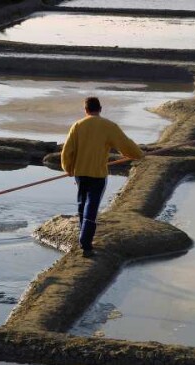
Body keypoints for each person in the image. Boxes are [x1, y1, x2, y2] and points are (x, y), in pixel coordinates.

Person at [61, 96, 144, 257]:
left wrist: (68, 169)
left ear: (85, 110)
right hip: (98, 174)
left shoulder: (77, 126)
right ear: (100, 109)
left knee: (82, 202)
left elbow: (67, 151)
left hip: (80, 173)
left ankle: (84, 239)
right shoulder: (109, 126)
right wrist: (139, 154)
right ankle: (85, 244)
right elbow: (125, 144)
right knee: (91, 205)